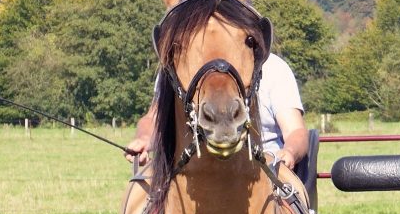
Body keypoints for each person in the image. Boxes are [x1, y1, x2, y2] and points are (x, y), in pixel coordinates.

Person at [126, 52, 309, 170]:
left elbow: (294, 131)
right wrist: (144, 139)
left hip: (265, 171)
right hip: (187, 172)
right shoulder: (177, 67)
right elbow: (153, 118)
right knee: (137, 199)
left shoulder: (274, 69)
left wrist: (290, 152)